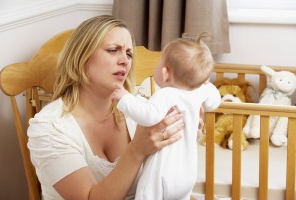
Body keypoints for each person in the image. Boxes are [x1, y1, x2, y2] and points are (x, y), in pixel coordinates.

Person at [27, 15, 185, 200]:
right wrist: (137, 150)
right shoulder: (49, 128)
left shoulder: (139, 111)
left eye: (128, 53)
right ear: (81, 57)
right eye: (112, 50)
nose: (125, 61)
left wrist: (182, 130)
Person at [111, 33, 221, 200]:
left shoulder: (167, 94)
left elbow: (148, 115)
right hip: (187, 173)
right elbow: (214, 102)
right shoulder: (201, 92)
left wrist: (125, 97)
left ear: (165, 73)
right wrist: (205, 83)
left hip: (163, 173)